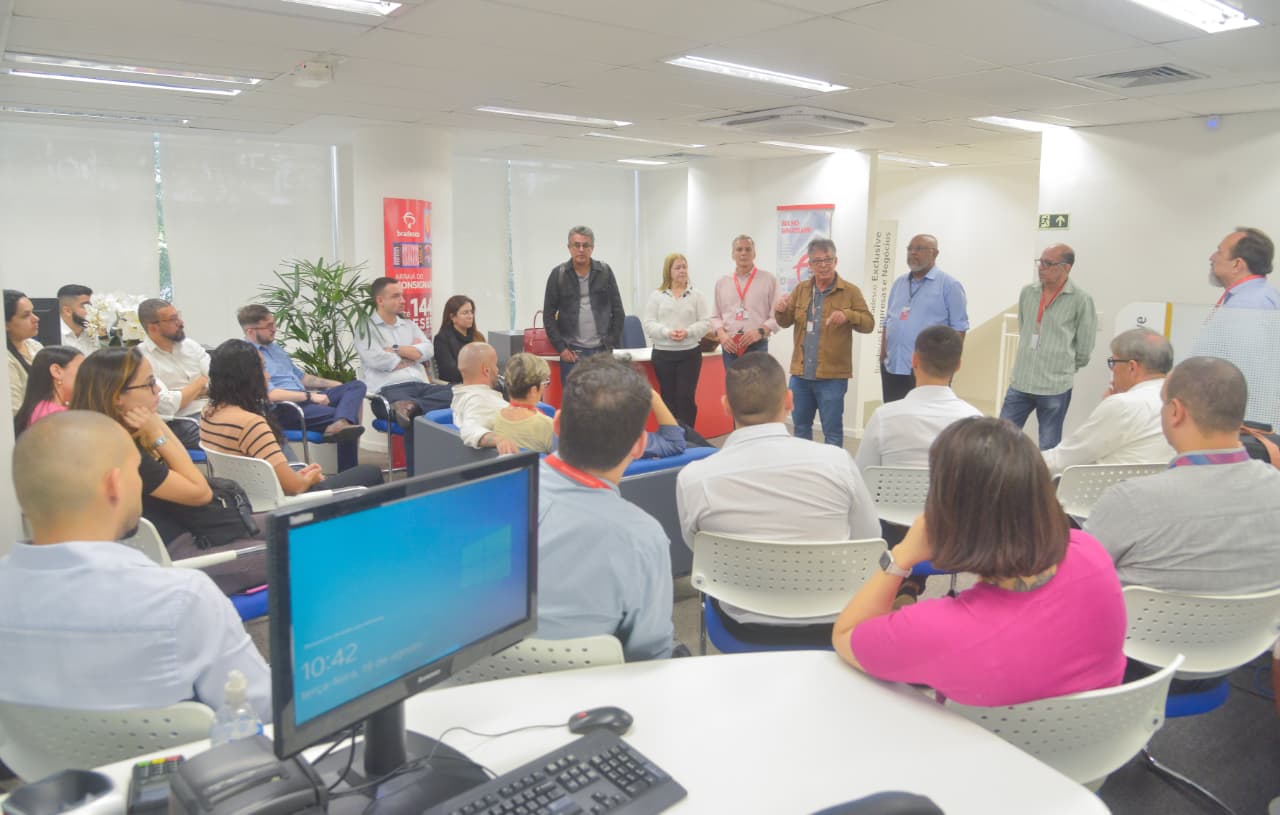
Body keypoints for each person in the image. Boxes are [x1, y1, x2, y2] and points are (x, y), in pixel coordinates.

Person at [832, 417, 1126, 706]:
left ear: (948, 515)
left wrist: (901, 556)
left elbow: (846, 634)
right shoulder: (1090, 553)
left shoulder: (940, 630)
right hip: (1092, 735)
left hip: (975, 738)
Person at [0, 410, 271, 719]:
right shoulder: (182, 598)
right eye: (136, 471)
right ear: (114, 485)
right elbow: (261, 710)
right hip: (182, 751)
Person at [677, 352, 879, 643]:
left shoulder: (694, 478)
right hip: (833, 617)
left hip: (743, 622)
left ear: (726, 406)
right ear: (789, 401)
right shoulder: (838, 462)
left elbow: (699, 548)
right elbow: (868, 538)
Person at [1085, 357, 1280, 594]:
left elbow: (1076, 580)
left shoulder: (1130, 500)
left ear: (1176, 412)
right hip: (1259, 620)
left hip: (1142, 620)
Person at [537, 355, 674, 661]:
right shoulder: (644, 538)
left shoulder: (491, 497)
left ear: (557, 424)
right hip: (597, 686)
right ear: (639, 446)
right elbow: (651, 655)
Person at [69, 347, 214, 545]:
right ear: (117, 396)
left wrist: (153, 419)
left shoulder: (91, 435)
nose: (157, 390)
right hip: (172, 547)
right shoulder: (123, 453)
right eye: (149, 384)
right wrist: (158, 437)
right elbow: (201, 493)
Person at [202, 339, 382, 492]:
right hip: (289, 503)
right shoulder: (252, 423)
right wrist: (311, 477)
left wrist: (301, 474)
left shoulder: (209, 413)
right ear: (247, 377)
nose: (268, 377)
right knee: (370, 473)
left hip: (252, 496)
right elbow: (294, 487)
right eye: (263, 370)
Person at [238, 304, 367, 471]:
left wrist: (335, 385)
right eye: (268, 326)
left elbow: (302, 377)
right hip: (285, 408)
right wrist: (310, 396)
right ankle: (349, 472)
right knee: (347, 417)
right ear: (250, 331)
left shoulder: (275, 349)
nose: (274, 329)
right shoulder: (248, 356)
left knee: (356, 386)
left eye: (274, 323)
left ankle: (340, 424)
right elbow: (271, 394)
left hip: (305, 399)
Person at [774, 237, 874, 447]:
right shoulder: (801, 290)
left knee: (832, 432)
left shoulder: (850, 291)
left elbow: (869, 324)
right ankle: (805, 466)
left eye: (828, 260)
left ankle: (832, 467)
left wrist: (848, 315)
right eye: (817, 261)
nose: (823, 265)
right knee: (800, 428)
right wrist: (780, 310)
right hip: (801, 374)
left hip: (832, 376)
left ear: (835, 261)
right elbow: (785, 322)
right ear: (810, 265)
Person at [999, 243, 1097, 450]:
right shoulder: (1028, 292)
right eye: (1040, 262)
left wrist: (1064, 367)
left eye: (1048, 263)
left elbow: (1085, 345)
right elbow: (1025, 327)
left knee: (1049, 446)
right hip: (1021, 382)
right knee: (1001, 439)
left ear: (1066, 268)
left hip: (1054, 386)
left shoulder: (1081, 300)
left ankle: (1044, 474)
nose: (1041, 267)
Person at [1041, 328, 1174, 476]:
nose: (1113, 370)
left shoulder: (1123, 405)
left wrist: (1022, 460)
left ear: (1132, 367)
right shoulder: (1178, 401)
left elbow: (1063, 459)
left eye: (1113, 362)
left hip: (1111, 488)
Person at [855, 325, 981, 474]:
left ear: (914, 360)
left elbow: (861, 476)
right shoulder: (975, 422)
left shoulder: (883, 418)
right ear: (958, 366)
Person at [356, 279, 453, 472]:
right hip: (388, 392)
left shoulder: (408, 325)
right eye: (396, 296)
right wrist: (411, 354)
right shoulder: (366, 328)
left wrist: (395, 349)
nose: (402, 300)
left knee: (459, 393)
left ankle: (412, 406)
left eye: (402, 295)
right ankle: (416, 479)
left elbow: (428, 350)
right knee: (416, 420)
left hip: (421, 387)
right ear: (380, 300)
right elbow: (376, 359)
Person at [879, 235, 969, 404]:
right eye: (910, 249)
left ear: (935, 253)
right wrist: (882, 356)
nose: (913, 253)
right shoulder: (899, 283)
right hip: (893, 367)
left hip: (928, 371)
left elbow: (959, 329)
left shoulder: (949, 286)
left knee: (924, 417)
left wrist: (947, 368)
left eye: (919, 249)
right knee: (895, 415)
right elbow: (888, 321)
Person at [542, 225, 625, 384]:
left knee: (604, 397)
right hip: (573, 353)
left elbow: (618, 311)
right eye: (576, 245)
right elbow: (548, 316)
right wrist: (561, 349)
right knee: (574, 398)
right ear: (569, 247)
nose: (581, 249)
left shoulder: (605, 272)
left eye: (585, 245)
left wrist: (611, 343)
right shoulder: (558, 274)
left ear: (592, 248)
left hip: (602, 352)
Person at [643, 252, 712, 427]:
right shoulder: (657, 296)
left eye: (684, 267)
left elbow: (705, 322)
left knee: (685, 398)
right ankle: (671, 435)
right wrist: (666, 332)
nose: (682, 271)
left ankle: (687, 435)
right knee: (668, 398)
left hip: (689, 354)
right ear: (668, 271)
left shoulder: (696, 295)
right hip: (663, 354)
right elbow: (649, 323)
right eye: (678, 267)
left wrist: (688, 332)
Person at [137, 298, 211, 450]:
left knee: (253, 422)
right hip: (181, 421)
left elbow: (219, 380)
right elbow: (167, 405)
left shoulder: (190, 345)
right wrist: (201, 381)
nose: (181, 323)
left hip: (213, 410)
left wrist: (184, 394)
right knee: (231, 434)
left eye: (178, 317)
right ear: (153, 328)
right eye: (173, 319)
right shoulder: (140, 358)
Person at [711, 235, 779, 374]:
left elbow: (777, 316)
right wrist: (722, 335)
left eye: (748, 249)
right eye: (739, 249)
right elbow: (715, 316)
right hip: (730, 346)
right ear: (733, 254)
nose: (743, 253)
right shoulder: (722, 282)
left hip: (757, 345)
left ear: (754, 254)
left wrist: (760, 332)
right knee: (733, 386)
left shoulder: (768, 280)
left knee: (758, 385)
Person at [452, 342, 519, 454]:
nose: (497, 370)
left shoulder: (464, 396)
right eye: (495, 365)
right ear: (486, 370)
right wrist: (498, 440)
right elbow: (470, 429)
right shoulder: (478, 400)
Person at [13, 345, 83, 434]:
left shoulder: (41, 408)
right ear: (56, 371)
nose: (86, 375)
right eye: (82, 369)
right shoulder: (56, 416)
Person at [493, 353, 554, 453]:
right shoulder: (547, 425)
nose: (544, 387)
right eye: (545, 383)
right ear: (533, 390)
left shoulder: (497, 417)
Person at [1207, 227, 1278, 309]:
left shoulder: (1245, 302)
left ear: (1237, 264)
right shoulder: (1264, 293)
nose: (1211, 257)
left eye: (1219, 252)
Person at [433, 294, 485, 384]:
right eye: (465, 313)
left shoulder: (478, 336)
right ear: (453, 317)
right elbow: (450, 372)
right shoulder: (442, 339)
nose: (470, 316)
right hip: (457, 386)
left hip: (481, 383)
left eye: (471, 312)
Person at [6, 289, 42, 415]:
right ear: (5, 324)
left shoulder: (35, 346)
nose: (36, 318)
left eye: (33, 312)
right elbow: (15, 411)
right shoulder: (6, 359)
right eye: (26, 315)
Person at [56, 283, 99, 356]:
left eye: (92, 306)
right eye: (86, 306)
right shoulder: (52, 335)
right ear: (67, 311)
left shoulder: (93, 332)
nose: (92, 311)